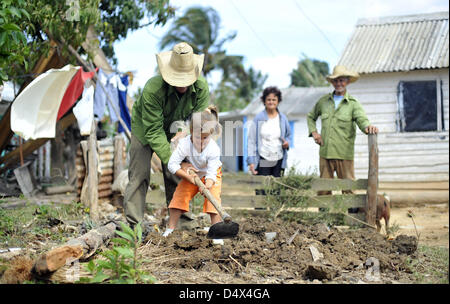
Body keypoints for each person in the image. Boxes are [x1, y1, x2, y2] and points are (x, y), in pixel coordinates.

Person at [123, 42, 210, 227]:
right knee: (139, 174)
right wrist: (176, 161)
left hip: (175, 126)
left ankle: (182, 222)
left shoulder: (201, 89)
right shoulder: (153, 89)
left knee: (178, 175)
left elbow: (199, 125)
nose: (182, 85)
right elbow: (154, 131)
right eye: (178, 79)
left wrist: (187, 142)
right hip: (145, 126)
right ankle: (133, 226)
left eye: (186, 80)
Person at [307, 65, 378, 196]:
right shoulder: (323, 102)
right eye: (335, 80)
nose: (338, 83)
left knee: (348, 189)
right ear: (332, 82)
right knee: (323, 189)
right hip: (325, 152)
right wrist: (314, 133)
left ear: (347, 81)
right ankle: (324, 216)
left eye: (341, 80)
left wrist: (368, 127)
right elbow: (311, 117)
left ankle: (351, 216)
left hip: (344, 153)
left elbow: (361, 119)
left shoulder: (353, 103)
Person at [162, 106, 223, 238]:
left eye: (205, 138)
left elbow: (212, 172)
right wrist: (187, 177)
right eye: (197, 137)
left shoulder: (213, 149)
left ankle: (216, 232)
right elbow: (172, 165)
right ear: (190, 132)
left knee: (214, 200)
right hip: (192, 174)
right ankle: (170, 229)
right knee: (178, 197)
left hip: (211, 175)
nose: (201, 142)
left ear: (210, 135)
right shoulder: (184, 144)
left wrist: (208, 185)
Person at [247, 86, 292, 178]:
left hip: (279, 158)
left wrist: (287, 143)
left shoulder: (283, 119)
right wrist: (251, 161)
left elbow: (288, 135)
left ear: (278, 101)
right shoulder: (258, 118)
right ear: (264, 101)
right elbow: (251, 141)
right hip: (263, 158)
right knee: (263, 189)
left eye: (274, 99)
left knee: (277, 190)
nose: (271, 102)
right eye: (268, 99)